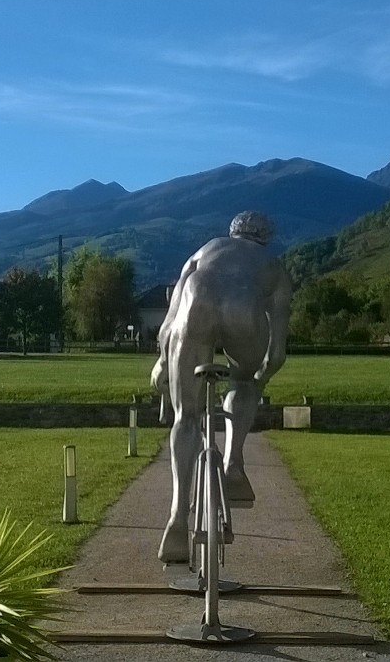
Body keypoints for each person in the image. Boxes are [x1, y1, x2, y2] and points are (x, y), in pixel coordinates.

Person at [151, 211, 291, 564]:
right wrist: (259, 380)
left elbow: (170, 321)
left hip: (197, 300)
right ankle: (232, 463)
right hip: (244, 308)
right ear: (265, 238)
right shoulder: (273, 268)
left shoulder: (207, 250)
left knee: (185, 417)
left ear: (232, 233)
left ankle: (177, 518)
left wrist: (164, 363)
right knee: (243, 381)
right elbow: (276, 355)